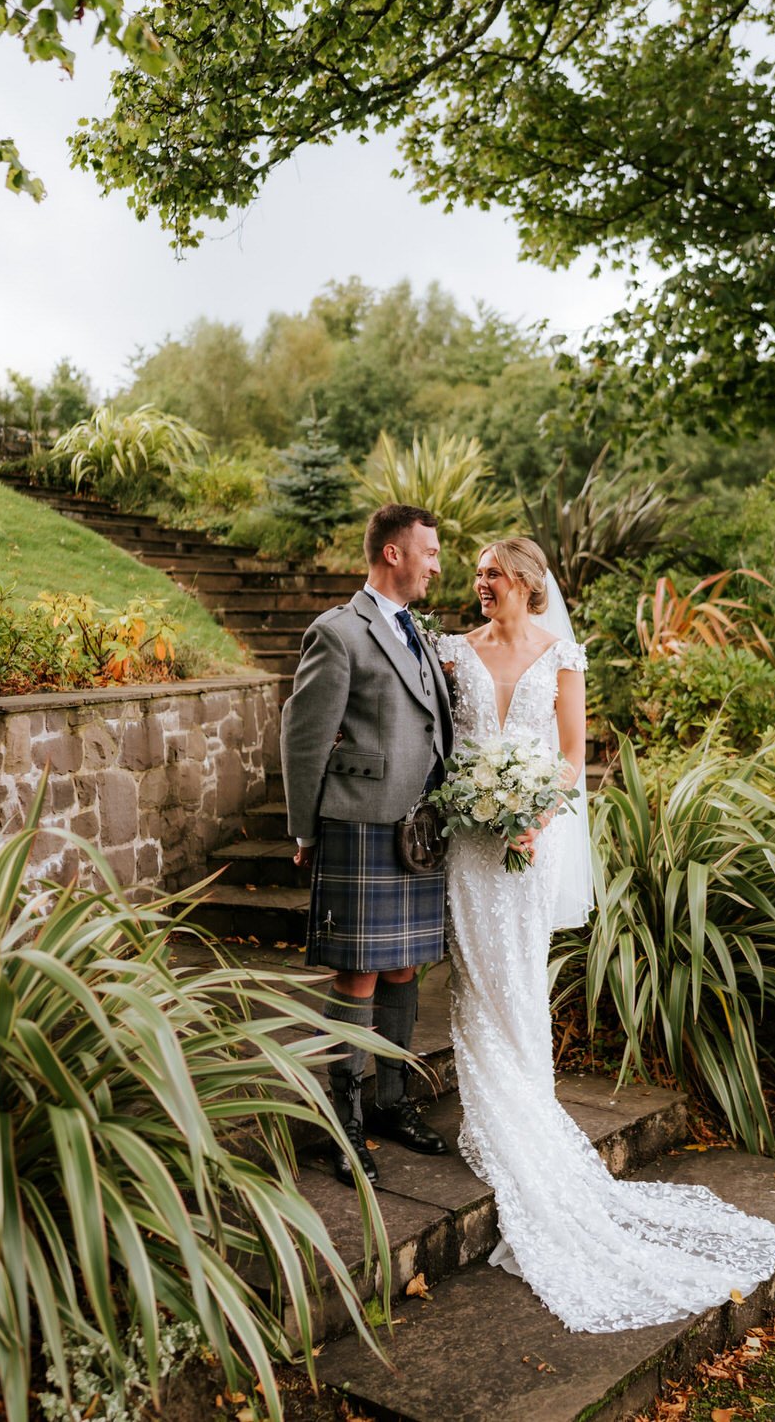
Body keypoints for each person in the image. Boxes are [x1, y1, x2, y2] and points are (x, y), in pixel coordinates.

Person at [436, 537, 775, 1332]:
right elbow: (441, 744)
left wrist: (533, 818)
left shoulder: (563, 654)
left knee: (519, 973)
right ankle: (496, 1108)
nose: (479, 584)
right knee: (474, 974)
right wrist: (472, 800)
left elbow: (567, 759)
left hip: (527, 838)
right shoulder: (453, 652)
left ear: (524, 583)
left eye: (491, 573)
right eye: (477, 574)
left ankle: (521, 1110)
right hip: (467, 841)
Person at [281, 504, 454, 1186]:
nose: (436, 565)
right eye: (430, 552)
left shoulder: (415, 630)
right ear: (392, 554)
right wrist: (304, 827)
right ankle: (343, 1119)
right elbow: (303, 735)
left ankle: (390, 1103)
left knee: (406, 968)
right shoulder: (338, 631)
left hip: (419, 827)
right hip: (359, 821)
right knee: (356, 973)